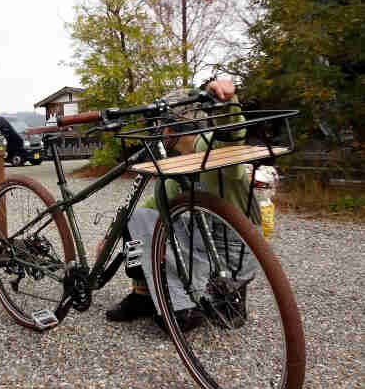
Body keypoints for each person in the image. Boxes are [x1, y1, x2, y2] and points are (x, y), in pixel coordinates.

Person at [105, 78, 260, 323]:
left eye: (159, 127)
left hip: (229, 253)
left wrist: (228, 101)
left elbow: (231, 138)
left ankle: (212, 298)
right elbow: (152, 207)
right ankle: (143, 294)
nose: (158, 133)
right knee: (133, 219)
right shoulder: (180, 165)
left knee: (178, 320)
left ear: (170, 128)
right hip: (213, 248)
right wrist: (112, 233)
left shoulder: (209, 148)